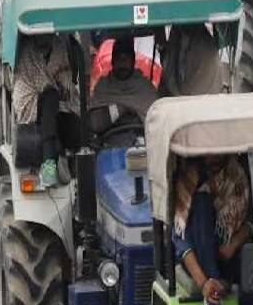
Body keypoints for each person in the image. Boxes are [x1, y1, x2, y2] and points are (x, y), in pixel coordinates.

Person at [173, 155, 252, 303]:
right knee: (202, 203)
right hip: (198, 264)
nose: (214, 158)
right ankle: (214, 281)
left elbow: (252, 222)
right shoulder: (189, 181)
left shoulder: (238, 176)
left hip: (229, 253)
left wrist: (232, 245)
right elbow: (182, 241)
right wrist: (204, 283)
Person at [12, 32, 78, 188]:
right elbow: (42, 83)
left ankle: (71, 160)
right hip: (29, 98)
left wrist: (64, 86)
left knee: (74, 121)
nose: (43, 36)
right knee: (51, 95)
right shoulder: (26, 51)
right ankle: (49, 164)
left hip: (57, 104)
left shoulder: (58, 47)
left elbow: (66, 76)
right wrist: (55, 88)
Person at [90, 35, 157, 129]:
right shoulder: (103, 87)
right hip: (108, 141)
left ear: (133, 61)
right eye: (119, 58)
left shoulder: (145, 88)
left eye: (126, 59)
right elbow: (94, 123)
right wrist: (120, 109)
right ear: (113, 61)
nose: (122, 63)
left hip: (141, 140)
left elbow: (155, 124)